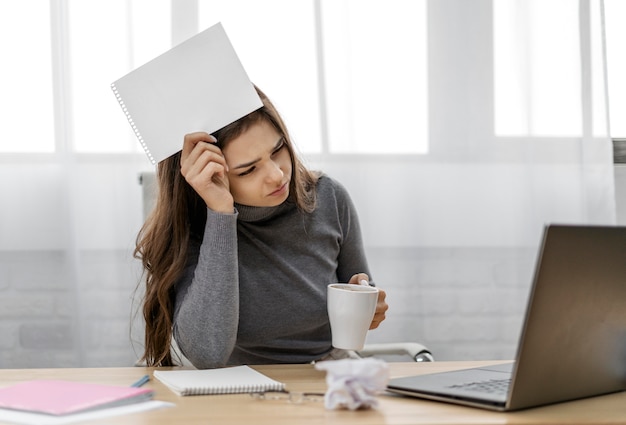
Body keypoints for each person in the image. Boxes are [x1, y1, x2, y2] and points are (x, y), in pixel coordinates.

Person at [134, 86, 388, 368]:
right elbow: (207, 354)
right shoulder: (195, 228)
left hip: (327, 370)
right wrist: (221, 214)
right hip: (236, 382)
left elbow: (361, 291)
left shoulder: (328, 197)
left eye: (278, 149)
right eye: (248, 170)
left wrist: (369, 308)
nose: (277, 175)